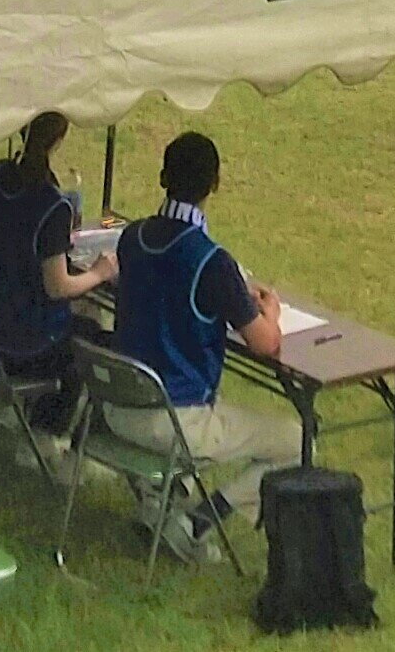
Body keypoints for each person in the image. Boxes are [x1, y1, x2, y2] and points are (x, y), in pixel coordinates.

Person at [109, 132, 302, 547]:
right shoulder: (212, 262)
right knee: (298, 440)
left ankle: (162, 499)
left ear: (162, 177)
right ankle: (198, 521)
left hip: (117, 405)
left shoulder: (131, 238)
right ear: (215, 183)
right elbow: (265, 344)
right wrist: (270, 311)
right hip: (175, 420)